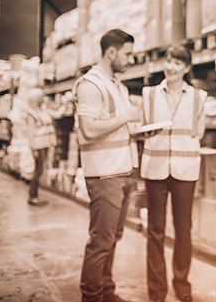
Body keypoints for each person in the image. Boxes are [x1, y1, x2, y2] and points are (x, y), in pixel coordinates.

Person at [74, 29, 141, 302]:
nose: (131, 59)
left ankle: (106, 291)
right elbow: (89, 129)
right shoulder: (91, 85)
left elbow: (118, 128)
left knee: (112, 237)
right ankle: (91, 296)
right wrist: (127, 117)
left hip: (122, 170)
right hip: (104, 175)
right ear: (111, 53)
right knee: (101, 240)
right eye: (127, 54)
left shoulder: (117, 85)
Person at [140, 45, 207, 302]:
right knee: (155, 230)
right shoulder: (148, 95)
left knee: (183, 229)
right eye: (168, 61)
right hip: (155, 169)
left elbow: (198, 132)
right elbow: (139, 126)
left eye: (178, 62)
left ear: (187, 68)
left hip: (185, 169)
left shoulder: (199, 97)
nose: (171, 66)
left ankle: (182, 284)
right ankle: (156, 291)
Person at [25, 88, 63, 206]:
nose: (44, 99)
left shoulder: (43, 110)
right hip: (38, 146)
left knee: (40, 170)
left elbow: (58, 115)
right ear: (37, 99)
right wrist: (33, 149)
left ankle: (34, 195)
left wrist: (66, 103)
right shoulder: (31, 114)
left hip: (45, 145)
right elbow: (30, 133)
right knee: (38, 171)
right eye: (42, 97)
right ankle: (32, 196)